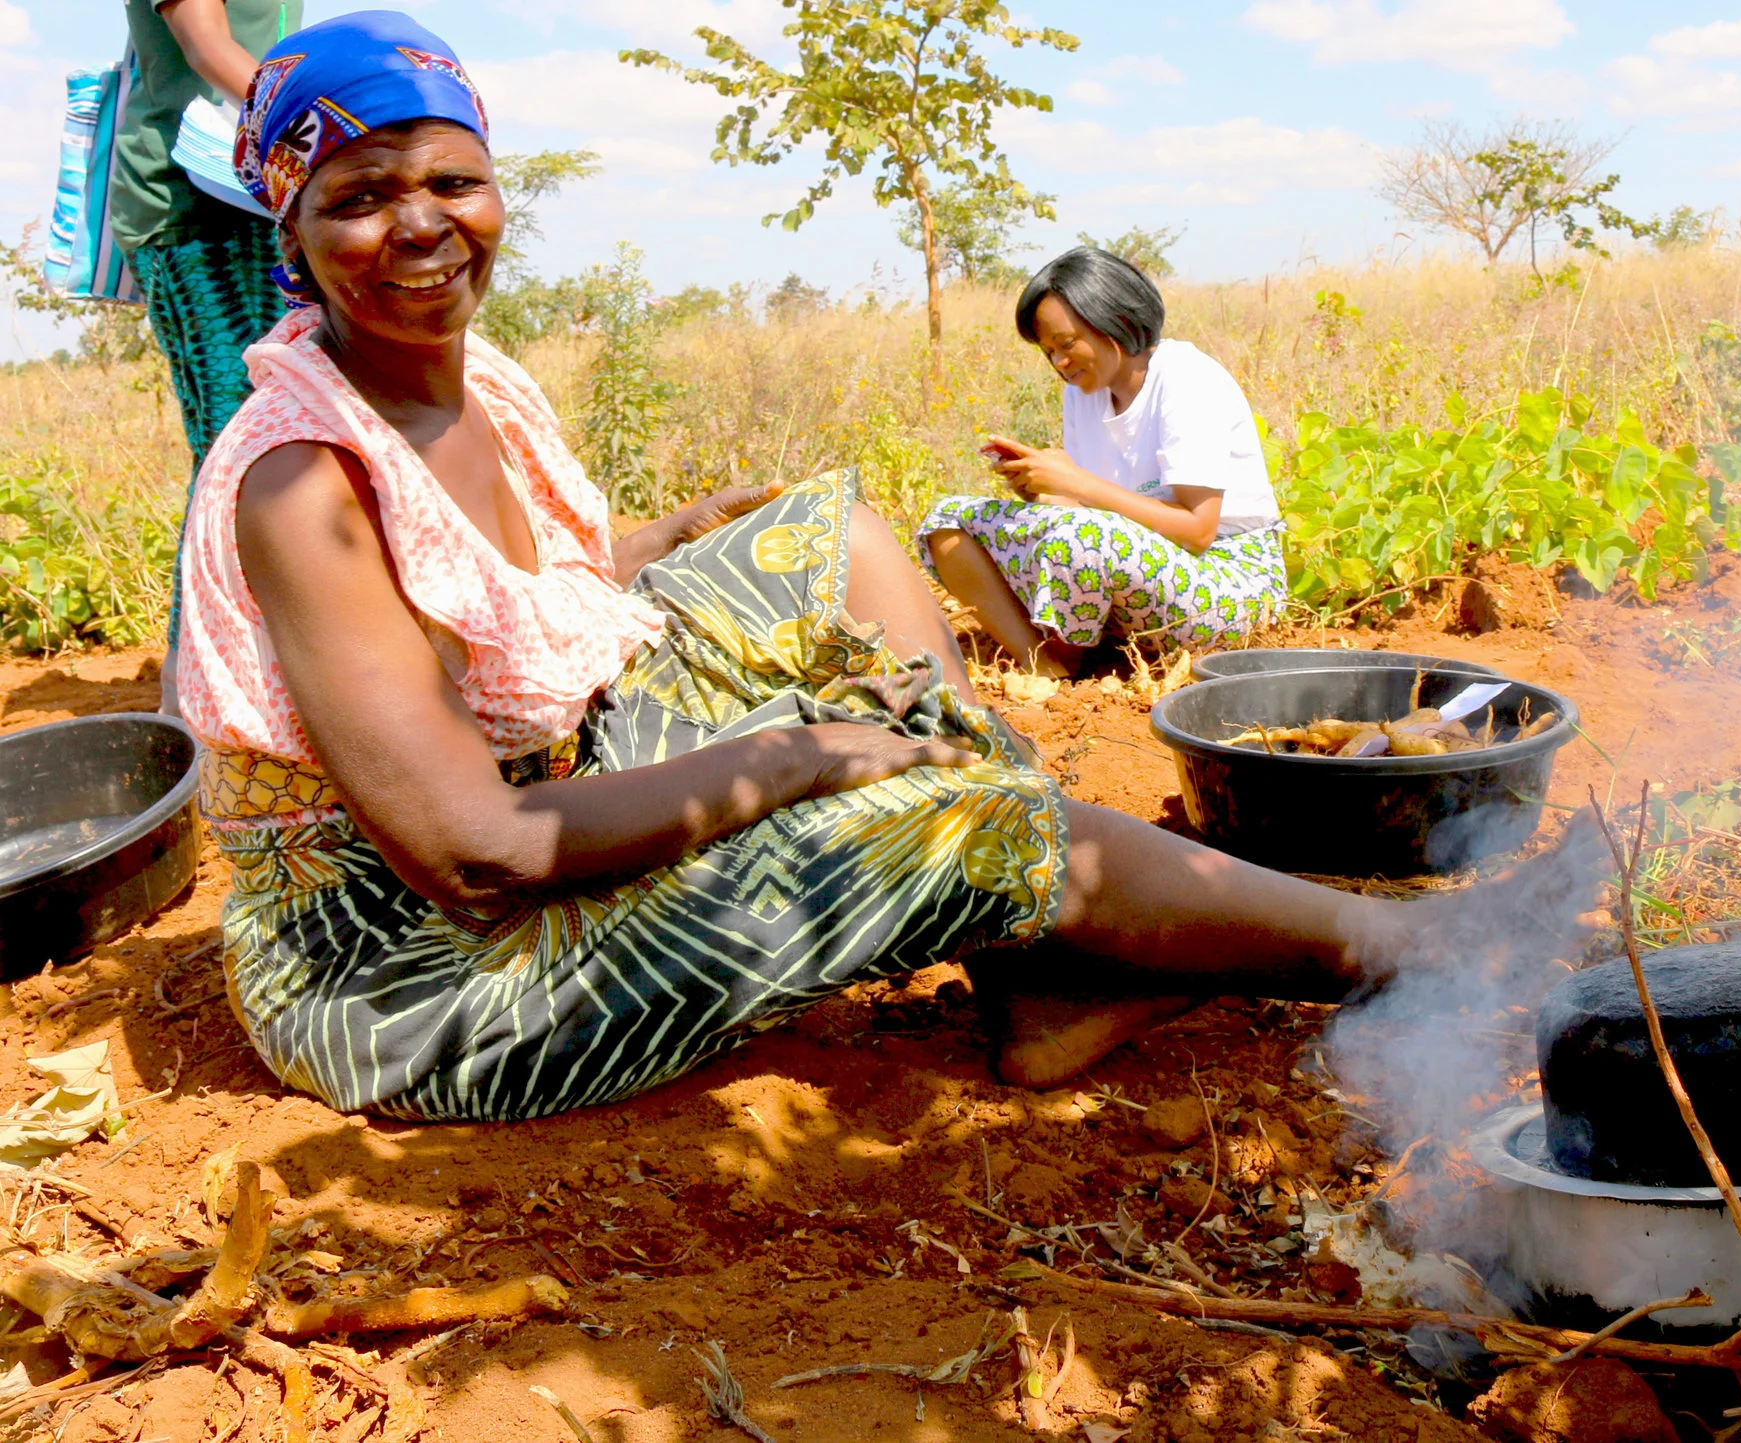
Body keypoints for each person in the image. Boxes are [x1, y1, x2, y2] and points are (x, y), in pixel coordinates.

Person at [179, 13, 1591, 1124]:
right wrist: (797, 757)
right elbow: (475, 856)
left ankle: (1033, 950)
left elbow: (492, 589)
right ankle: (1399, 949)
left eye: (454, 181)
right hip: (416, 967)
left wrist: (666, 538)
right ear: (290, 225)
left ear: (497, 190)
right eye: (360, 196)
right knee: (911, 804)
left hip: (532, 777)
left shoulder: (469, 376)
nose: (422, 225)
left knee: (843, 541)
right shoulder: (303, 483)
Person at [918, 248, 1284, 677]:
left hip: (1227, 580)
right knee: (949, 520)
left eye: (1066, 344)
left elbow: (1198, 531)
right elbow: (1091, 513)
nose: (1059, 363)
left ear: (1115, 319)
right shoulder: (1084, 393)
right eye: (1048, 351)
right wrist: (1040, 490)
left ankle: (1070, 656)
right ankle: (1042, 663)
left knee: (1081, 536)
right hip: (1134, 569)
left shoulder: (1186, 378)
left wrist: (1075, 482)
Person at [117, 1, 294, 710]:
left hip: (253, 198)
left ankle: (257, 674)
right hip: (195, 206)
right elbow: (205, 44)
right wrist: (334, 124)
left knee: (274, 441)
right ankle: (195, 697)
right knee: (236, 448)